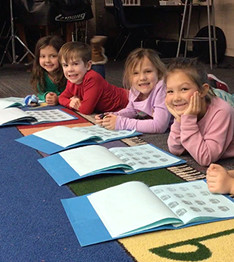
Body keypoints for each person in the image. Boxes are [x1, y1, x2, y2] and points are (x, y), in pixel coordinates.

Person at [165, 57, 234, 166]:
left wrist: (187, 120)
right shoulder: (186, 109)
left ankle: (217, 85)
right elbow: (175, 149)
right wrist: (179, 120)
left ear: (203, 90)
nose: (176, 98)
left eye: (184, 89)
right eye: (170, 91)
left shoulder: (222, 112)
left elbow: (206, 158)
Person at [95, 48, 172, 133]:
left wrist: (121, 123)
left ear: (158, 72)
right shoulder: (135, 89)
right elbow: (132, 110)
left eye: (148, 71)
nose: (142, 78)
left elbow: (159, 126)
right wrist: (112, 116)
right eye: (135, 73)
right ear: (129, 77)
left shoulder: (162, 88)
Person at [58, 41, 129, 114]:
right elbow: (61, 98)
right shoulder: (72, 80)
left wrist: (77, 102)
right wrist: (71, 103)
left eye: (75, 64)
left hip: (129, 102)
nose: (70, 69)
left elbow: (86, 110)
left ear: (88, 65)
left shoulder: (92, 78)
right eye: (65, 65)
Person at [31, 35, 66, 106]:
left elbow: (72, 93)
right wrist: (46, 96)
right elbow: (40, 93)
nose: (47, 60)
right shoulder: (40, 74)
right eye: (43, 56)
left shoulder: (68, 74)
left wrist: (58, 98)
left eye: (53, 56)